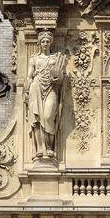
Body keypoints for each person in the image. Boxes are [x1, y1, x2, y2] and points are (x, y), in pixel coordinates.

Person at [24, 31, 66, 159]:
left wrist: (59, 79)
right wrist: (26, 91)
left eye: (48, 41)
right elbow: (29, 76)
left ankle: (50, 147)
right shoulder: (34, 59)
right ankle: (40, 148)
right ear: (39, 43)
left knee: (48, 117)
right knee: (36, 119)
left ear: (51, 42)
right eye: (43, 41)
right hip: (36, 88)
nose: (45, 43)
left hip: (52, 88)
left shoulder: (55, 58)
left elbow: (61, 76)